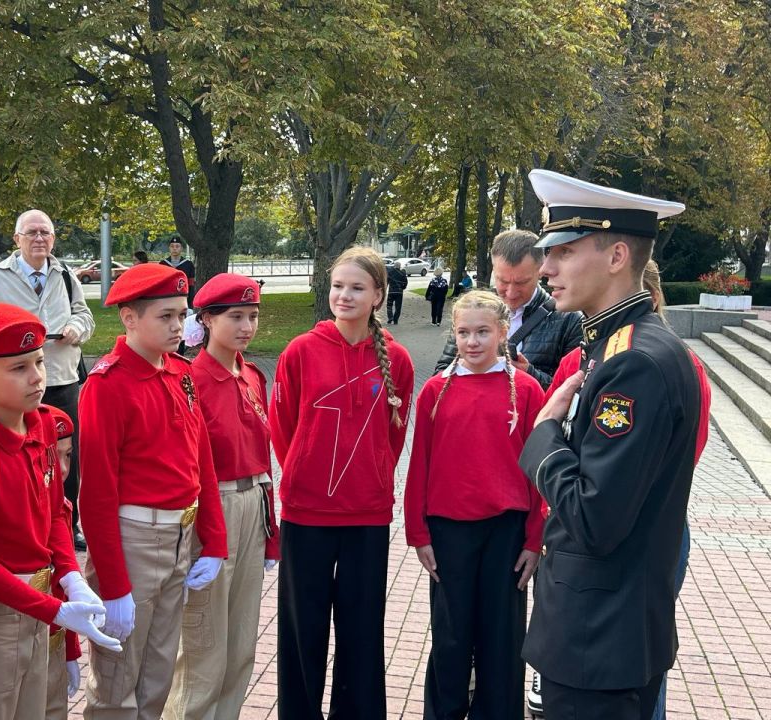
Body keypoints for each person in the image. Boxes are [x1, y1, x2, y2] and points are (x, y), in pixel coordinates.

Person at [517, 169, 700, 720]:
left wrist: (544, 435)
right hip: (599, 634)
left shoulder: (634, 363)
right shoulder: (616, 347)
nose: (545, 268)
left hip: (598, 641)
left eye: (564, 252)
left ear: (617, 255)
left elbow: (595, 519)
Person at [269, 246, 414, 720]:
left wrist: (369, 476)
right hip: (306, 512)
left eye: (356, 288)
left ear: (378, 295)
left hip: (365, 515)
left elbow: (394, 438)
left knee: (361, 630)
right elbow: (283, 426)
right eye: (337, 286)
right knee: (300, 629)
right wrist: (305, 471)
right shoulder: (300, 352)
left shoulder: (399, 360)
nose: (344, 295)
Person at [78, 263, 227, 720]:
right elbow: (97, 491)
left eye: (182, 315)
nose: (179, 326)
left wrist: (214, 538)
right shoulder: (108, 384)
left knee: (159, 672)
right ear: (129, 319)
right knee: (118, 681)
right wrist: (115, 582)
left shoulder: (179, 372)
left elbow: (201, 458)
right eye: (165, 316)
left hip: (179, 536)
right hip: (135, 538)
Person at [0, 304, 118, 720]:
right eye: (18, 368)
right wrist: (53, 608)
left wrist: (70, 576)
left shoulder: (44, 425)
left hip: (43, 598)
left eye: (39, 362)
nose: (37, 377)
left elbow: (54, 514)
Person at [406, 289, 545, 719]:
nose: (472, 342)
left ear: (503, 332)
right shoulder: (435, 392)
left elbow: (539, 471)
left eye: (483, 332)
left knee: (501, 637)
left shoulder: (526, 390)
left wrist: (534, 539)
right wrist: (419, 534)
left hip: (506, 531)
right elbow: (420, 467)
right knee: (450, 636)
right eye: (464, 332)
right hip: (449, 532)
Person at [165, 274, 280, 720]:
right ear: (208, 320)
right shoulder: (191, 379)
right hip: (214, 510)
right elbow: (192, 466)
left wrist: (270, 530)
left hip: (253, 504)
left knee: (241, 644)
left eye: (252, 316)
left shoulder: (251, 375)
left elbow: (263, 456)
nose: (246, 326)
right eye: (235, 317)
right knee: (203, 648)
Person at [0, 210, 95, 551]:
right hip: (12, 385)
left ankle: (68, 525)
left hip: (60, 377)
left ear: (54, 239)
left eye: (45, 232)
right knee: (16, 457)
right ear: (17, 239)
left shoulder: (65, 274)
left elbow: (84, 313)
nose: (39, 238)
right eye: (31, 232)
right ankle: (23, 529)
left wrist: (78, 328)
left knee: (66, 456)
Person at [435, 231, 582, 388]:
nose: (511, 293)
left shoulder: (569, 320)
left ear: (541, 271)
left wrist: (529, 373)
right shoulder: (472, 308)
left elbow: (574, 393)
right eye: (503, 281)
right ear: (494, 269)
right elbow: (441, 373)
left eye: (521, 282)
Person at [44, 406, 84, 720]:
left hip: (53, 639)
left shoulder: (62, 505)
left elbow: (63, 587)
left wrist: (70, 649)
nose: (62, 467)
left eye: (68, 455)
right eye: (51, 456)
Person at [159, 238, 197, 307]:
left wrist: (190, 305)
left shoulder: (188, 264)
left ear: (181, 248)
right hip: (166, 299)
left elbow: (191, 285)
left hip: (183, 299)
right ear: (169, 248)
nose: (174, 248)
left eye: (177, 246)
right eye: (172, 246)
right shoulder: (163, 264)